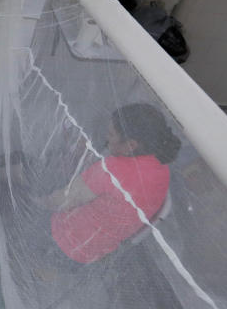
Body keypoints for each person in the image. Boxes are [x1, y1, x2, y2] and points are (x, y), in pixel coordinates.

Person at [39, 103, 180, 265]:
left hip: (65, 245)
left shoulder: (112, 170)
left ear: (131, 145)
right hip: (98, 251)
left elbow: (60, 201)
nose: (107, 139)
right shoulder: (162, 167)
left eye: (111, 135)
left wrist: (36, 201)